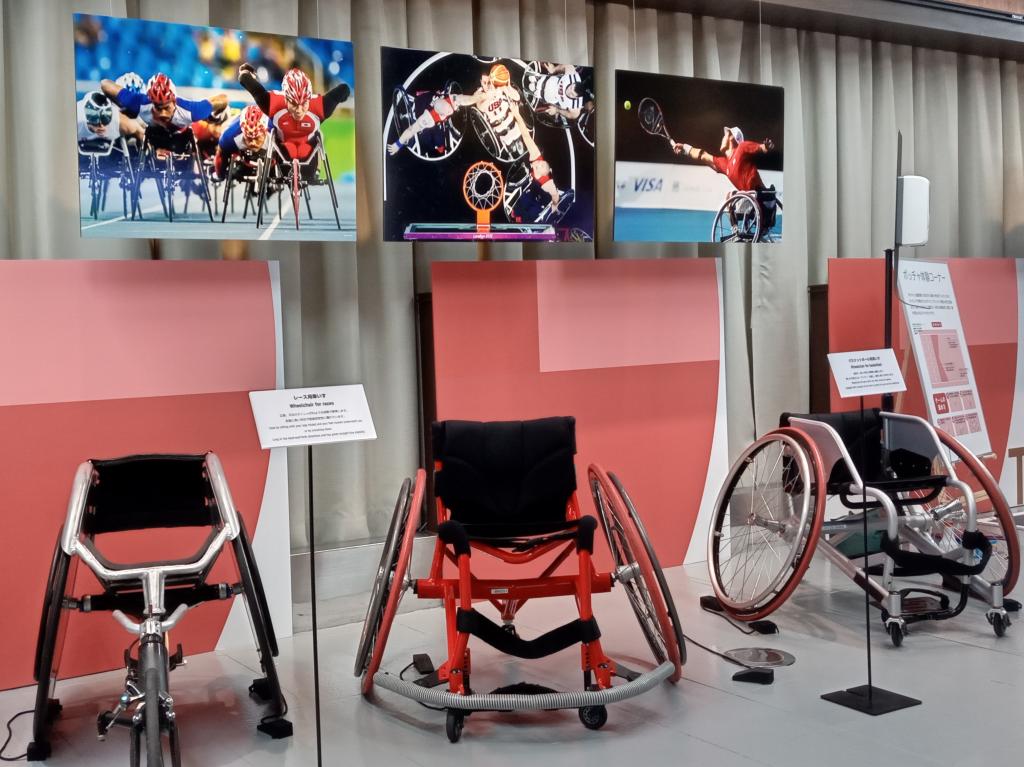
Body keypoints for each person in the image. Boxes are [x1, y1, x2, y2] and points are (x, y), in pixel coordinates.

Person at [388, 63, 564, 208]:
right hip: (500, 132)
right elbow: (477, 103)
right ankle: (414, 109)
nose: (487, 83)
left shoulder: (464, 97)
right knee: (434, 139)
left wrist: (507, 87)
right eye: (484, 81)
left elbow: (516, 96)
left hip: (510, 126)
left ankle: (548, 200)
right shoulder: (475, 97)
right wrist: (398, 144)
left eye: (489, 80)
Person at [237, 63, 350, 176]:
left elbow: (343, 89)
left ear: (309, 98)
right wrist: (245, 73)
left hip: (309, 155)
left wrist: (344, 94)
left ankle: (315, 169)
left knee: (317, 139)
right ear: (285, 99)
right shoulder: (272, 103)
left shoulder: (320, 106)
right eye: (294, 104)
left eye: (304, 104)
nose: (299, 110)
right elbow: (249, 83)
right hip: (282, 154)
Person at [101, 73, 228, 150]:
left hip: (180, 141)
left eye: (166, 108)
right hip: (154, 137)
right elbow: (105, 84)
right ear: (151, 102)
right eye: (158, 108)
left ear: (174, 102)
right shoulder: (139, 103)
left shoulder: (192, 110)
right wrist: (124, 105)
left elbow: (223, 99)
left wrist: (213, 116)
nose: (162, 113)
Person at [672, 126, 774, 193]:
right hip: (748, 200)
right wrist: (684, 148)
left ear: (731, 138)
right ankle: (735, 227)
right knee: (729, 196)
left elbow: (762, 148)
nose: (722, 138)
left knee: (732, 197)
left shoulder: (742, 148)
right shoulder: (724, 164)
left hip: (760, 196)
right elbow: (703, 155)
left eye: (725, 135)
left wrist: (767, 146)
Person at [213, 104, 270, 180]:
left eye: (257, 138)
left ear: (265, 131)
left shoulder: (277, 130)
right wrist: (220, 175)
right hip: (234, 126)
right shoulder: (228, 137)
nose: (253, 143)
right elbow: (220, 155)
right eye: (249, 138)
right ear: (242, 132)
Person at [523, 62, 594, 122]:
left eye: (572, 94)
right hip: (543, 79)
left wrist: (557, 110)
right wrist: (554, 69)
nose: (568, 91)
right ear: (573, 83)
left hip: (540, 96)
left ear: (576, 98)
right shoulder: (572, 74)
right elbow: (567, 66)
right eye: (571, 88)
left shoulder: (575, 108)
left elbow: (572, 115)